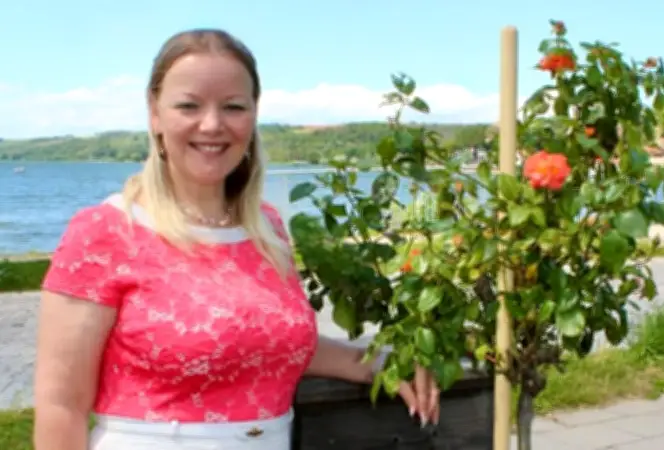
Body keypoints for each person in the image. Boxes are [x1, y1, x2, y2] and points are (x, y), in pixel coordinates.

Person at [33, 28, 440, 450]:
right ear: (154, 113)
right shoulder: (107, 231)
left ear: (253, 114)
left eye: (233, 107)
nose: (212, 124)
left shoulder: (265, 228)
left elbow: (261, 343)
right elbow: (61, 405)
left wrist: (381, 364)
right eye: (189, 105)